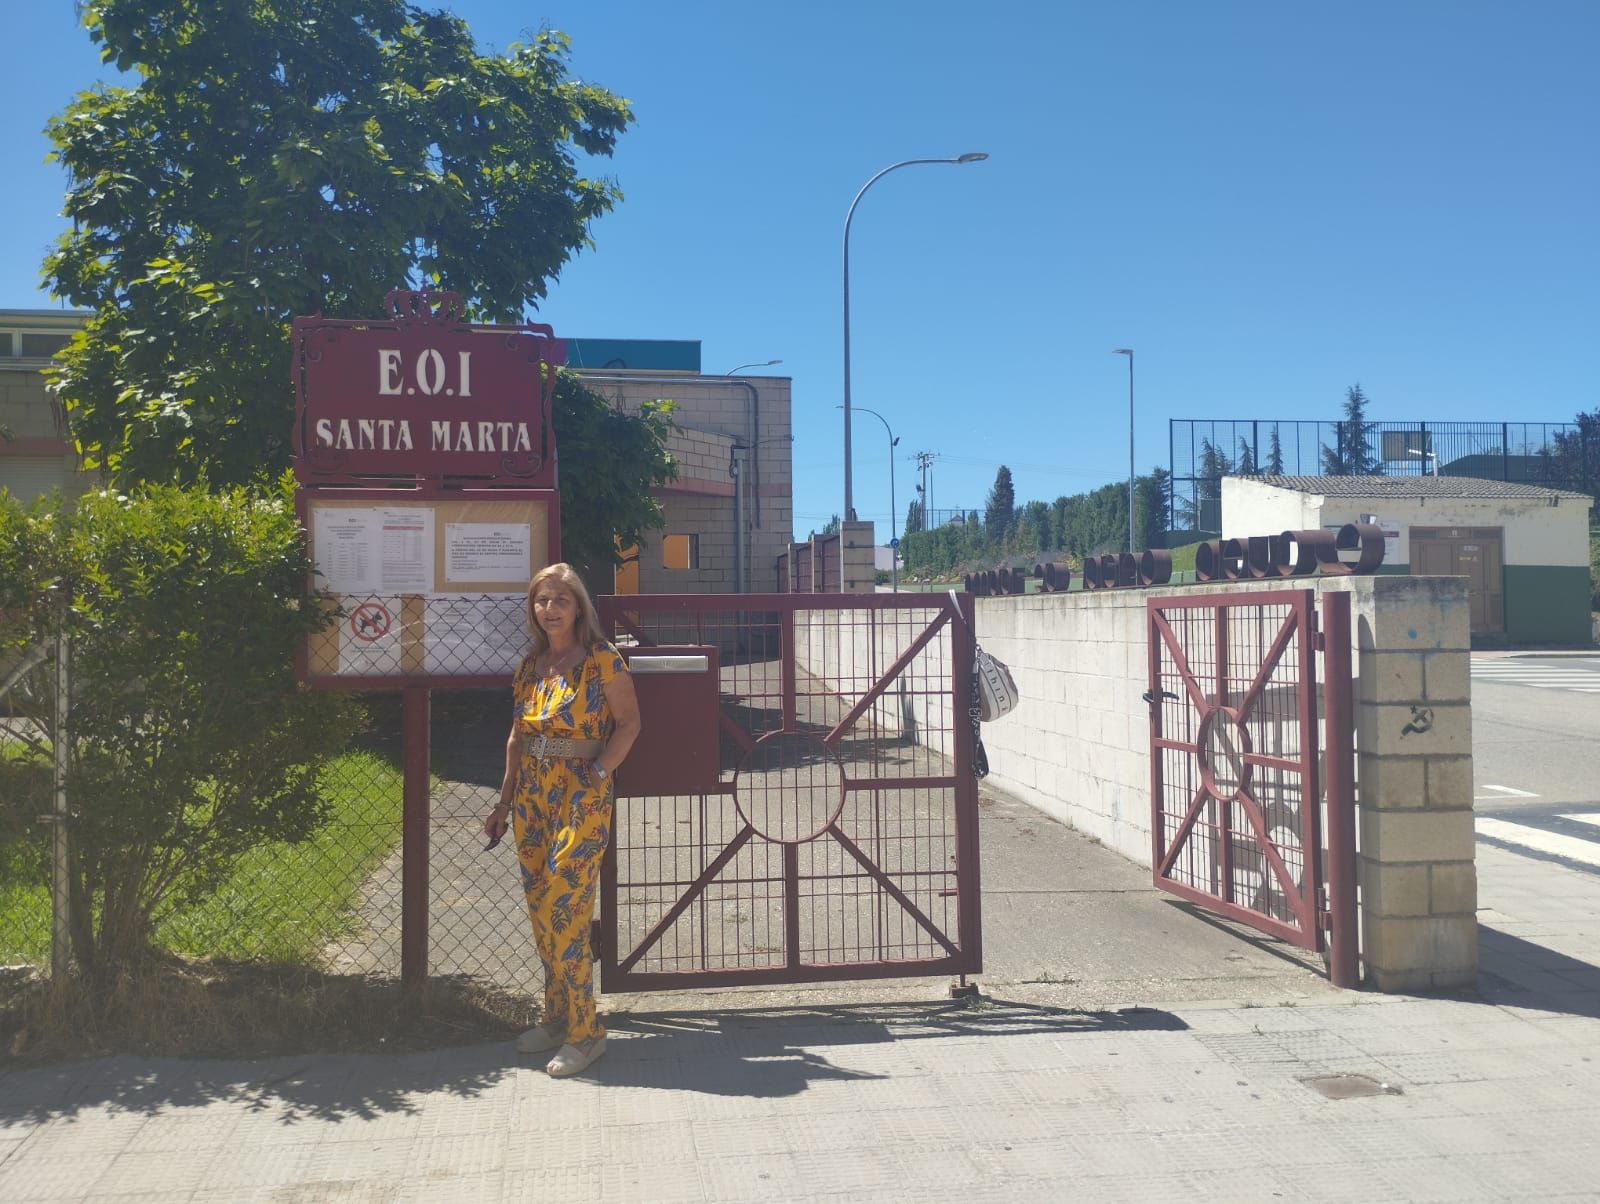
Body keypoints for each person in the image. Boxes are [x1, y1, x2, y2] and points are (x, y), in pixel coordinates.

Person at [485, 562, 640, 1078]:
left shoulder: (602, 660)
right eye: (541, 600)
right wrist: (504, 802)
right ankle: (558, 1016)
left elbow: (629, 723)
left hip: (581, 796)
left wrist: (600, 770)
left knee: (564, 907)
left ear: (578, 607)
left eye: (560, 601)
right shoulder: (532, 665)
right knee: (538, 905)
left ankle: (587, 1032)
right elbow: (514, 737)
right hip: (531, 797)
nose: (549, 610)